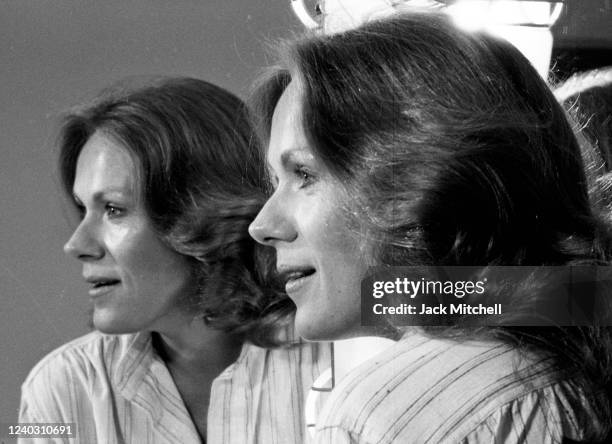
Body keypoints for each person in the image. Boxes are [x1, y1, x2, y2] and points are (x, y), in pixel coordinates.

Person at [248, 12, 612, 443]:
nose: (262, 225)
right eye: (275, 182)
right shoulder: (573, 317)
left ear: (423, 177)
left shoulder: (387, 412)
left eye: (304, 175)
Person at [18, 77, 330, 444]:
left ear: (202, 210)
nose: (77, 244)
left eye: (114, 209)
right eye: (83, 208)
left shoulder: (336, 354)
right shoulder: (61, 391)